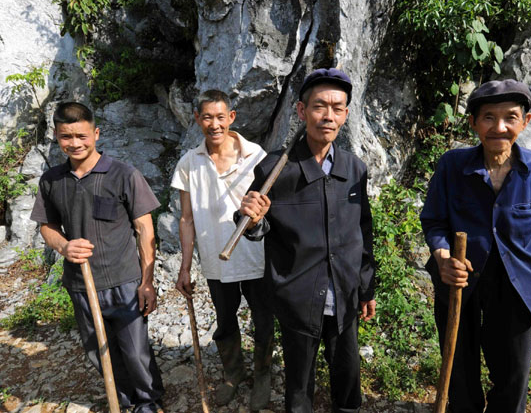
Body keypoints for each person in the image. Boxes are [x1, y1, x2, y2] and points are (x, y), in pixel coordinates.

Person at [239, 68, 377, 413]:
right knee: (299, 384)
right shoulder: (275, 170)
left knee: (348, 375)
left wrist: (367, 287)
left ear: (346, 114)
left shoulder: (353, 168)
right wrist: (252, 219)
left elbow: (364, 230)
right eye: (319, 106)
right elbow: (252, 227)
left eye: (336, 107)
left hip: (345, 294)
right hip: (298, 296)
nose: (327, 115)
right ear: (302, 111)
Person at [420, 80, 531, 413]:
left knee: (512, 376)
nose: (499, 127)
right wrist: (442, 259)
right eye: (488, 117)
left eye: (510, 117)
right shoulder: (452, 165)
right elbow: (435, 221)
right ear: (473, 123)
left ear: (524, 122)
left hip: (516, 284)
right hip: (459, 279)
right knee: (460, 372)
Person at [30, 102, 164, 413]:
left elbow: (146, 232)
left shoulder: (124, 174)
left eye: (81, 135)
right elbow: (47, 228)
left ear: (96, 134)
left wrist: (147, 282)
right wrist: (64, 247)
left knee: (135, 351)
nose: (74, 143)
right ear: (56, 136)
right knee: (98, 351)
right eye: (66, 137)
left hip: (124, 281)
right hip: (80, 285)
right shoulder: (51, 180)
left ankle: (148, 402)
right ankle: (122, 400)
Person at [170, 90, 273, 409]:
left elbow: (270, 208)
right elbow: (186, 220)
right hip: (216, 260)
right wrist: (186, 267)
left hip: (257, 257)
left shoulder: (256, 156)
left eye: (220, 117)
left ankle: (263, 376)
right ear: (198, 119)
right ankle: (233, 374)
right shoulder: (189, 163)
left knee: (264, 321)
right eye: (207, 117)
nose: (214, 124)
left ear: (232, 118)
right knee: (225, 320)